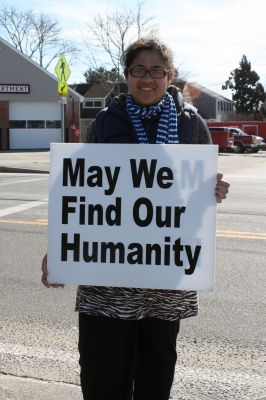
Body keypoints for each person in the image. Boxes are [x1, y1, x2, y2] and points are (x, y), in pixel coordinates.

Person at [42, 37, 230, 400]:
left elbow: (195, 199)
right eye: (138, 71)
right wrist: (59, 249)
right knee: (101, 378)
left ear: (169, 75)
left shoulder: (191, 126)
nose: (147, 79)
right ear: (127, 76)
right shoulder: (105, 123)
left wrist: (213, 193)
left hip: (164, 279)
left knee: (154, 380)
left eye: (156, 70)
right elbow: (78, 193)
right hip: (107, 282)